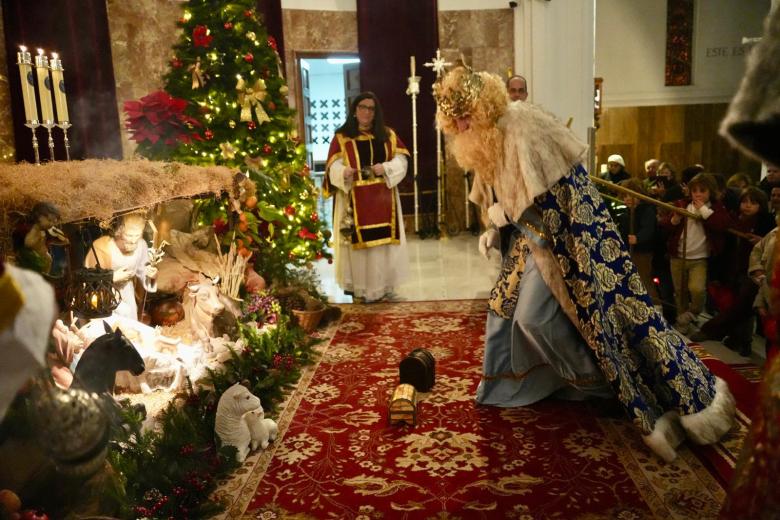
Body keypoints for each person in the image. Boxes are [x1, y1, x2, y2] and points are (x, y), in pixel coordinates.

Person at [434, 65, 735, 463]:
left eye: (465, 115)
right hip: (533, 243)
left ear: (483, 104)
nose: (461, 125)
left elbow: (555, 200)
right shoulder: (485, 135)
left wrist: (506, 214)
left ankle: (604, 385)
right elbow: (497, 188)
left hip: (570, 245)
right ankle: (559, 382)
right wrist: (494, 221)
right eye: (455, 120)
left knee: (544, 318)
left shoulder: (524, 127)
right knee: (507, 313)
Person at [323, 92, 410, 303]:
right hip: (353, 201)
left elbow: (402, 160)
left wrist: (386, 168)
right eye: (362, 107)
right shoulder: (341, 138)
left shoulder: (388, 135)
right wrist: (343, 172)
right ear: (354, 110)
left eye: (371, 109)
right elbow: (332, 167)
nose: (366, 112)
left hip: (383, 200)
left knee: (382, 248)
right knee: (360, 250)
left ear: (376, 112)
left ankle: (383, 286)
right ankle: (361, 288)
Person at [660, 173, 731, 335]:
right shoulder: (682, 204)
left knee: (697, 289)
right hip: (678, 256)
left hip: (699, 258)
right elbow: (666, 224)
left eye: (702, 191)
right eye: (694, 191)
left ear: (710, 192)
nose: (697, 194)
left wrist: (704, 210)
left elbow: (721, 225)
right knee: (680, 291)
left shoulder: (715, 208)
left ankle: (692, 312)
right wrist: (675, 219)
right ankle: (682, 319)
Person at [84, 213, 158, 321]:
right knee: (113, 322)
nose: (133, 240)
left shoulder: (141, 245)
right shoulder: (101, 247)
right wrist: (112, 277)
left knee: (130, 320)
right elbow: (89, 278)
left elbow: (144, 272)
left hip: (126, 290)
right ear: (119, 232)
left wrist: (152, 276)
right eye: (129, 235)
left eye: (137, 235)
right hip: (105, 293)